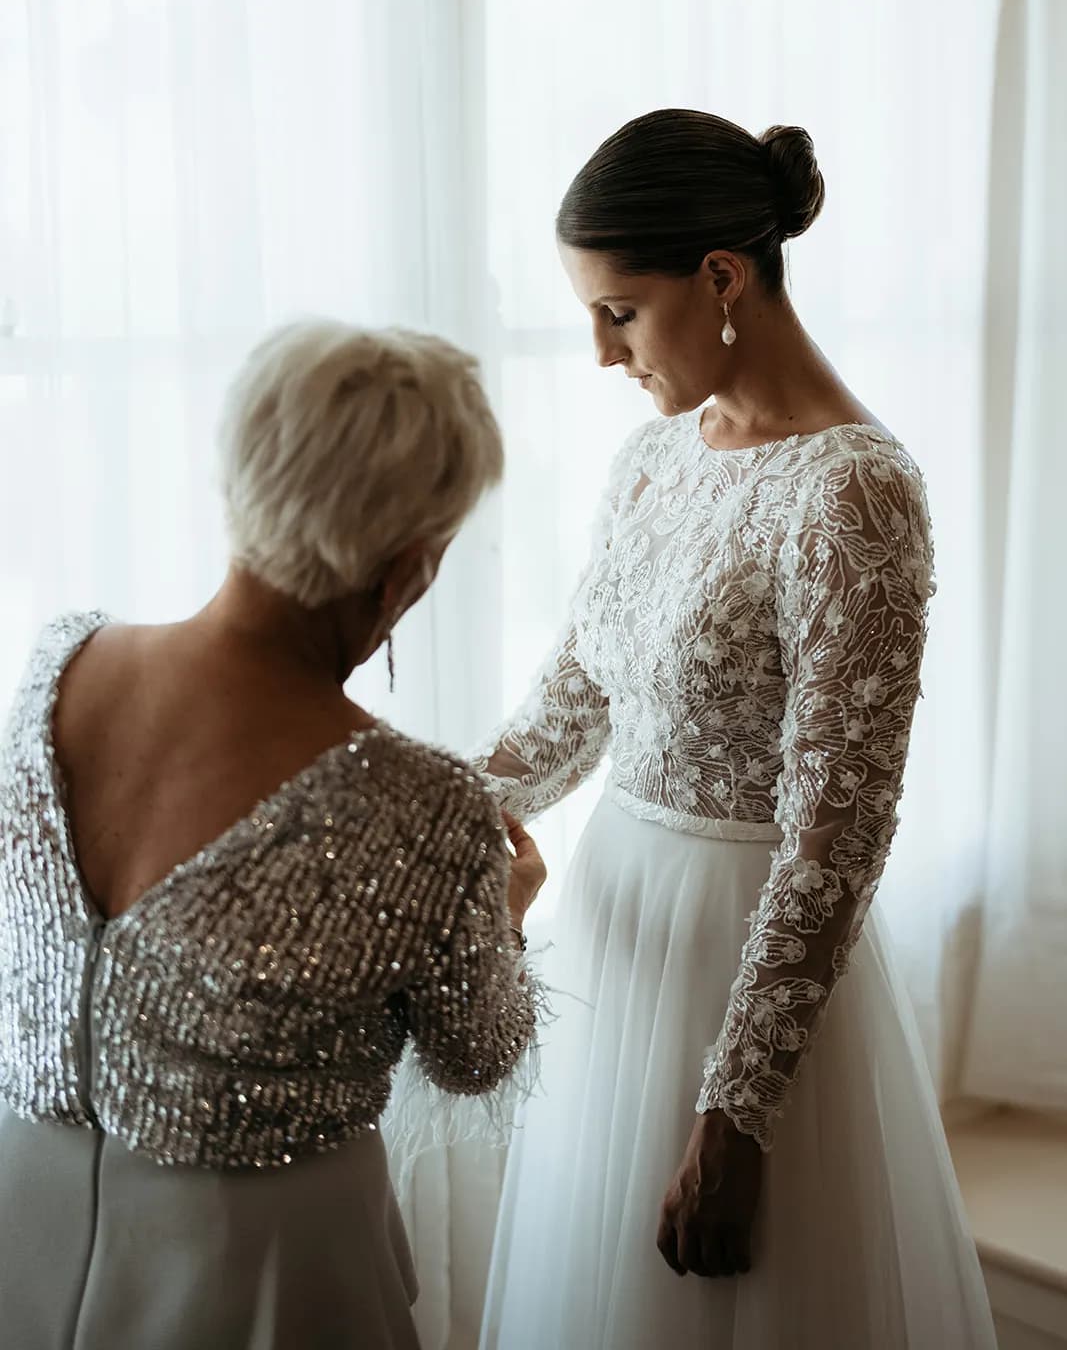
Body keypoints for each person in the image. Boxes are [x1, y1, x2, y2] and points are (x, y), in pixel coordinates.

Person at [473, 110, 996, 1349]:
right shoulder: (652, 460)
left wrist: (737, 1108)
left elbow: (836, 828)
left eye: (619, 311)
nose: (602, 353)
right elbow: (580, 696)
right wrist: (420, 801)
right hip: (614, 944)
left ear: (720, 277)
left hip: (744, 968)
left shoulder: (854, 488)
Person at [0, 319, 546, 1350]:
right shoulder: (426, 806)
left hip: (21, 1217)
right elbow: (473, 1055)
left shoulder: (56, 667)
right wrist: (505, 911)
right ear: (407, 568)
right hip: (259, 1264)